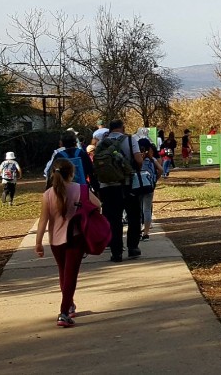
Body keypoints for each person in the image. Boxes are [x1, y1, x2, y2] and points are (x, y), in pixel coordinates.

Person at [35, 158, 101, 327]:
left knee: (64, 273)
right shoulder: (81, 189)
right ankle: (64, 313)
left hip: (55, 241)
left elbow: (43, 220)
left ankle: (69, 304)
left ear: (52, 174)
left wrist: (38, 242)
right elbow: (98, 205)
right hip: (76, 237)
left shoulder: (48, 194)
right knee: (71, 275)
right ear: (71, 174)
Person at [97, 119, 144, 263]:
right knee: (133, 216)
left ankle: (116, 252)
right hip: (127, 185)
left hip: (107, 187)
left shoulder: (101, 143)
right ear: (122, 128)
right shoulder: (131, 139)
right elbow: (138, 160)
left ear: (109, 130)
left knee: (114, 219)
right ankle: (132, 247)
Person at [138, 138, 161, 241]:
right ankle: (146, 233)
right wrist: (155, 179)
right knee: (147, 209)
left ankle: (137, 231)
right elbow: (161, 169)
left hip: (137, 186)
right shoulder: (151, 159)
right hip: (149, 186)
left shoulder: (136, 158)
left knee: (137, 210)